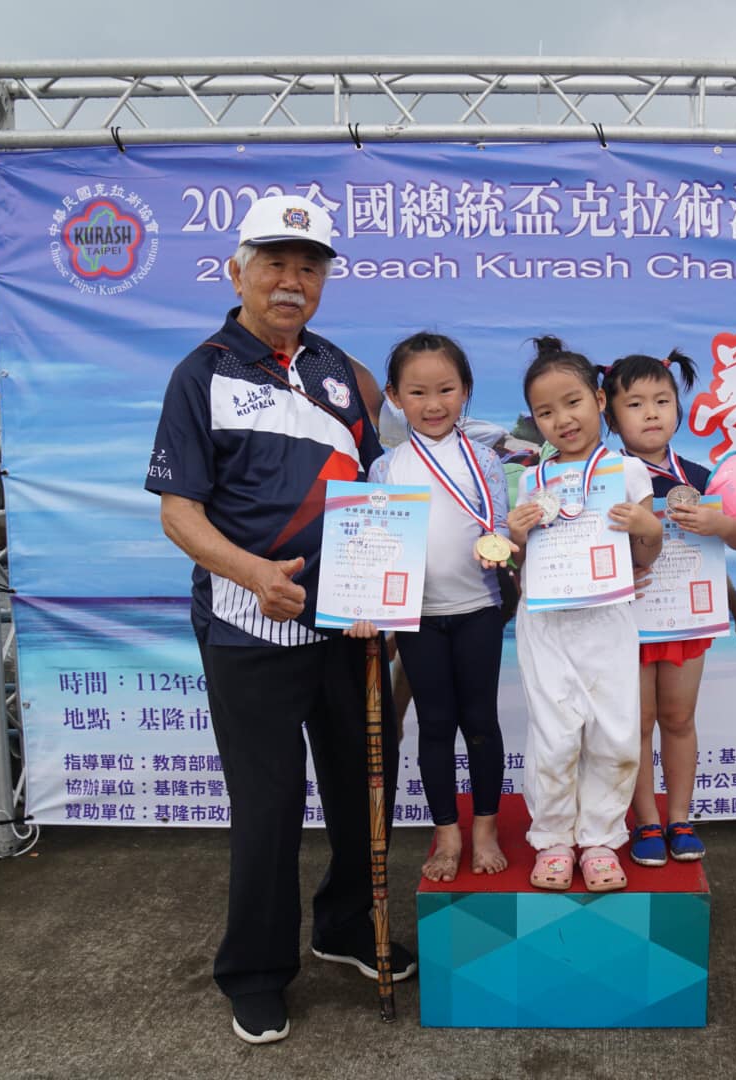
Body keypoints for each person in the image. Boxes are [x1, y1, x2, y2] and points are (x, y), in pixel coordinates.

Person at [144, 194, 414, 1046]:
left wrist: (389, 589)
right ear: (238, 271)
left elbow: (388, 481)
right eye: (275, 264)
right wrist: (253, 573)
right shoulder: (202, 373)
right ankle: (256, 972)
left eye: (309, 266)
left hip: (348, 627)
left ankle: (344, 926)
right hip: (247, 627)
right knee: (266, 808)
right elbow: (179, 512)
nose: (292, 281)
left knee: (361, 786)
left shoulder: (345, 372)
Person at [506, 336, 663, 892]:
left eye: (572, 402)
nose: (562, 420)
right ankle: (552, 839)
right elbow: (518, 565)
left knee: (615, 734)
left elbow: (645, 557)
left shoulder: (628, 472)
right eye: (545, 412)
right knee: (554, 736)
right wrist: (515, 537)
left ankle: (599, 839)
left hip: (607, 619)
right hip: (546, 622)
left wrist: (649, 528)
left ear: (599, 400)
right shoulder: (531, 480)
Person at [366, 332, 512, 882]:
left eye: (446, 390)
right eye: (418, 392)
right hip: (418, 618)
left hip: (479, 609)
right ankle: (447, 831)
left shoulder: (485, 460)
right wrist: (371, 611)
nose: (433, 404)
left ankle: (485, 828)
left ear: (466, 390)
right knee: (434, 725)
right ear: (394, 397)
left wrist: (500, 545)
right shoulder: (386, 469)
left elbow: (499, 525)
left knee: (481, 722)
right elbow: (377, 547)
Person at [602, 350, 736, 865]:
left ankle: (680, 818)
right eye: (635, 404)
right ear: (611, 417)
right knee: (637, 721)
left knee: (678, 717)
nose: (651, 413)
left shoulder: (700, 477)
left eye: (662, 401)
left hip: (687, 620)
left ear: (678, 408)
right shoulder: (606, 479)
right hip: (627, 621)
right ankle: (646, 820)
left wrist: (723, 525)